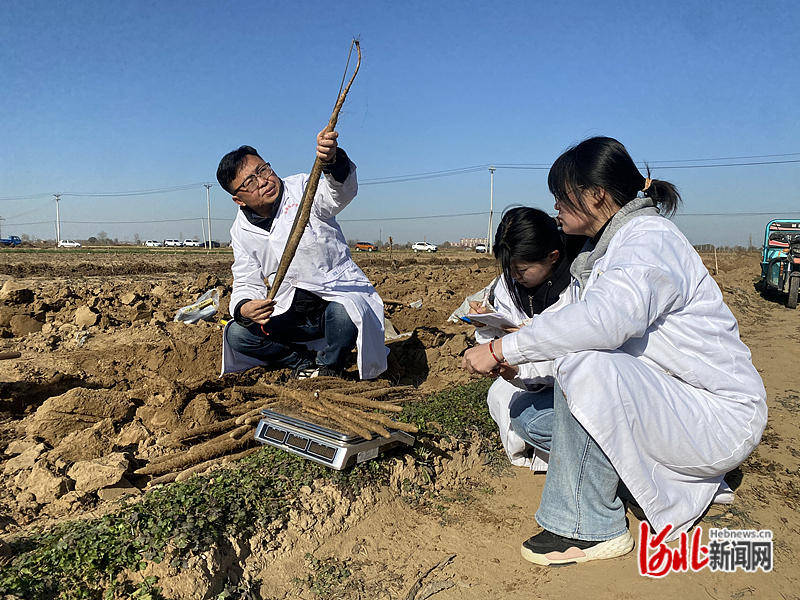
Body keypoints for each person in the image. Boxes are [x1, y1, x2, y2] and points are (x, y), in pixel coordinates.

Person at [462, 136, 767, 566]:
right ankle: (643, 479)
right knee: (527, 414)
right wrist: (516, 363)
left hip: (715, 418)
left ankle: (589, 528)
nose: (557, 210)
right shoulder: (601, 254)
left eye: (561, 199)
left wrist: (499, 348)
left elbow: (602, 324)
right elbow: (558, 327)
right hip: (669, 404)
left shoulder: (648, 239)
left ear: (595, 195)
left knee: (586, 360)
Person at [217, 129, 387, 380]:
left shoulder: (303, 189)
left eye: (263, 170)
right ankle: (301, 361)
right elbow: (245, 279)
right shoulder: (241, 231)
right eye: (250, 182)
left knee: (346, 311)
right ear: (238, 200)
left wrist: (332, 161)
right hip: (289, 311)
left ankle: (330, 368)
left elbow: (337, 194)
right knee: (237, 333)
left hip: (332, 298)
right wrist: (245, 308)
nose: (263, 181)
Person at [470, 208, 584, 470]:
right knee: (507, 402)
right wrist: (486, 323)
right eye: (509, 269)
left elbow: (573, 356)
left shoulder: (578, 289)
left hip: (573, 383)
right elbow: (499, 341)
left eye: (521, 270)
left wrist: (522, 356)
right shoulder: (507, 285)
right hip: (530, 380)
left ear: (553, 257)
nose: (514, 276)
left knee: (533, 418)